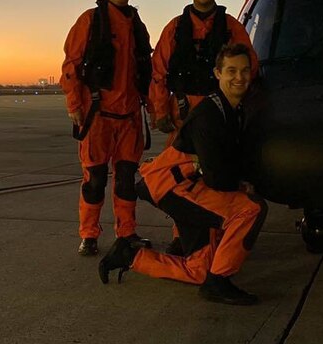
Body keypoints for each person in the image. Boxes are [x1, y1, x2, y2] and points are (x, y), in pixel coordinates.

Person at [97, 43, 268, 306]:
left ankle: (129, 256)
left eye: (245, 71)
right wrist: (245, 185)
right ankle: (218, 283)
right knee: (250, 209)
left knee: (199, 270)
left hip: (191, 188)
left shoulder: (233, 109)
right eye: (231, 70)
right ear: (217, 73)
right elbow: (217, 177)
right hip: (174, 188)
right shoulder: (209, 115)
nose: (239, 77)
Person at [149, 0, 260, 255]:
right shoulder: (175, 28)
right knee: (182, 179)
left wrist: (241, 104)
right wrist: (160, 110)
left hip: (219, 111)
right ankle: (182, 236)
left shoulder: (232, 27)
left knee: (220, 173)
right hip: (182, 113)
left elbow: (250, 65)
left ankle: (222, 234)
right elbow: (158, 71)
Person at [60, 0, 153, 256]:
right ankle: (89, 234)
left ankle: (126, 232)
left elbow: (146, 73)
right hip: (97, 116)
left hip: (129, 118)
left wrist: (153, 108)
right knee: (95, 180)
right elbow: (71, 65)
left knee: (126, 179)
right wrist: (74, 104)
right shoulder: (90, 20)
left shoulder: (137, 26)